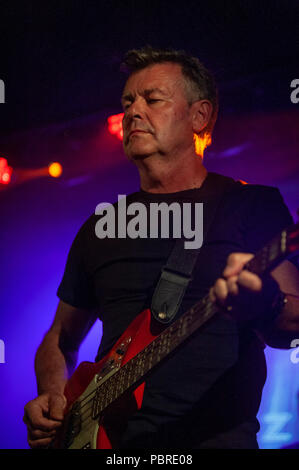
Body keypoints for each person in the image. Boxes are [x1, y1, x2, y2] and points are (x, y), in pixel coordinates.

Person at [23, 46, 299, 449]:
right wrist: (51, 394)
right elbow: (60, 338)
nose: (133, 112)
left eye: (152, 99)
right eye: (127, 102)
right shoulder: (101, 227)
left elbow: (293, 326)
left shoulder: (250, 205)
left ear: (199, 116)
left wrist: (267, 303)